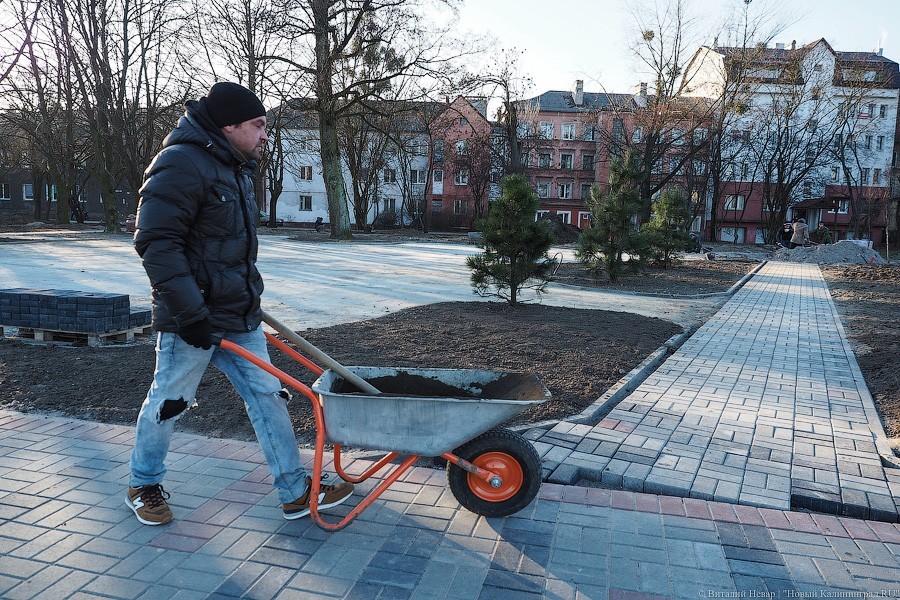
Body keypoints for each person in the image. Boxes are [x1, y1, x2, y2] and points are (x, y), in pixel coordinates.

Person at [127, 82, 353, 526]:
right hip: (191, 319)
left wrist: (248, 298)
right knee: (170, 400)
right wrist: (191, 314)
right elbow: (157, 242)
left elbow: (230, 248)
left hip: (239, 315)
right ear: (229, 125)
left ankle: (294, 490)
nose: (265, 135)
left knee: (269, 396)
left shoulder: (234, 167)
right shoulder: (179, 163)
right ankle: (143, 483)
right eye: (258, 125)